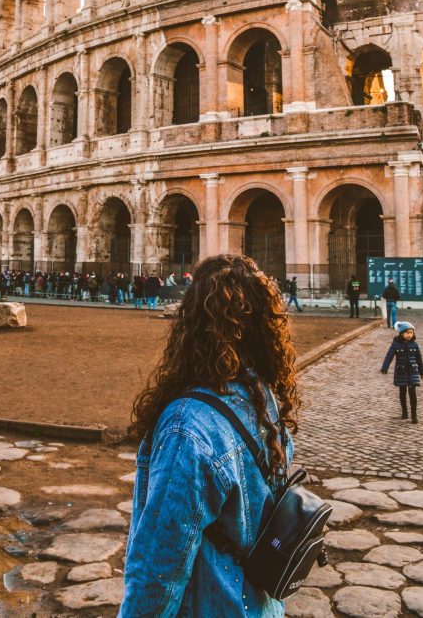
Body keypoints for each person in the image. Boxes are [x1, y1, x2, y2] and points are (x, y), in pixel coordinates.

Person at [119, 254, 298, 617]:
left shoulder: (188, 426)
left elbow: (159, 568)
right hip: (260, 605)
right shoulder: (261, 397)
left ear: (192, 323)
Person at [380, 320, 423, 424]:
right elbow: (389, 355)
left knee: (413, 393)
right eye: (407, 333)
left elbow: (419, 359)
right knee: (402, 392)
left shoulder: (415, 345)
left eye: (411, 333)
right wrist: (385, 367)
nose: (409, 335)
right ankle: (404, 412)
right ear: (401, 333)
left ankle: (414, 416)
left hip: (413, 372)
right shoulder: (396, 344)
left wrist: (422, 371)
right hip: (401, 372)